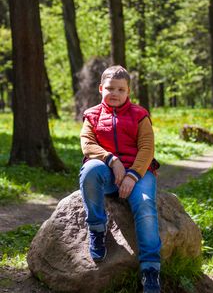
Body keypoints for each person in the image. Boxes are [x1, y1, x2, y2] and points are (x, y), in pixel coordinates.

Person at [79, 65, 161, 293]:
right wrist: (112, 160)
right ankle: (96, 228)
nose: (114, 93)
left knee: (144, 203)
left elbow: (147, 148)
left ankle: (150, 269)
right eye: (109, 88)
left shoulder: (139, 115)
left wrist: (132, 175)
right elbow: (87, 144)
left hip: (139, 172)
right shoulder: (92, 115)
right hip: (105, 170)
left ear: (128, 92)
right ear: (100, 88)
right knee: (89, 171)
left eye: (120, 89)